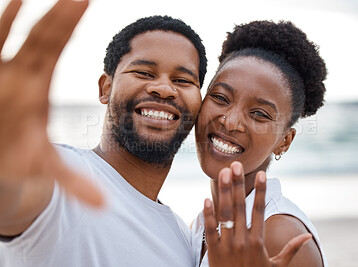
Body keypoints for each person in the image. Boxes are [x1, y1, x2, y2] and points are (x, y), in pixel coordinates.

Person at [0, 0, 207, 266]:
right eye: (144, 72)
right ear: (105, 88)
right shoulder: (60, 178)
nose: (164, 89)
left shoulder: (183, 240)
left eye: (183, 80)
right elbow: (13, 196)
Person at [191, 20, 329, 266]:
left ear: (284, 142)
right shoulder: (200, 225)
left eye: (259, 114)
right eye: (221, 98)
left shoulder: (281, 234)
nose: (231, 121)